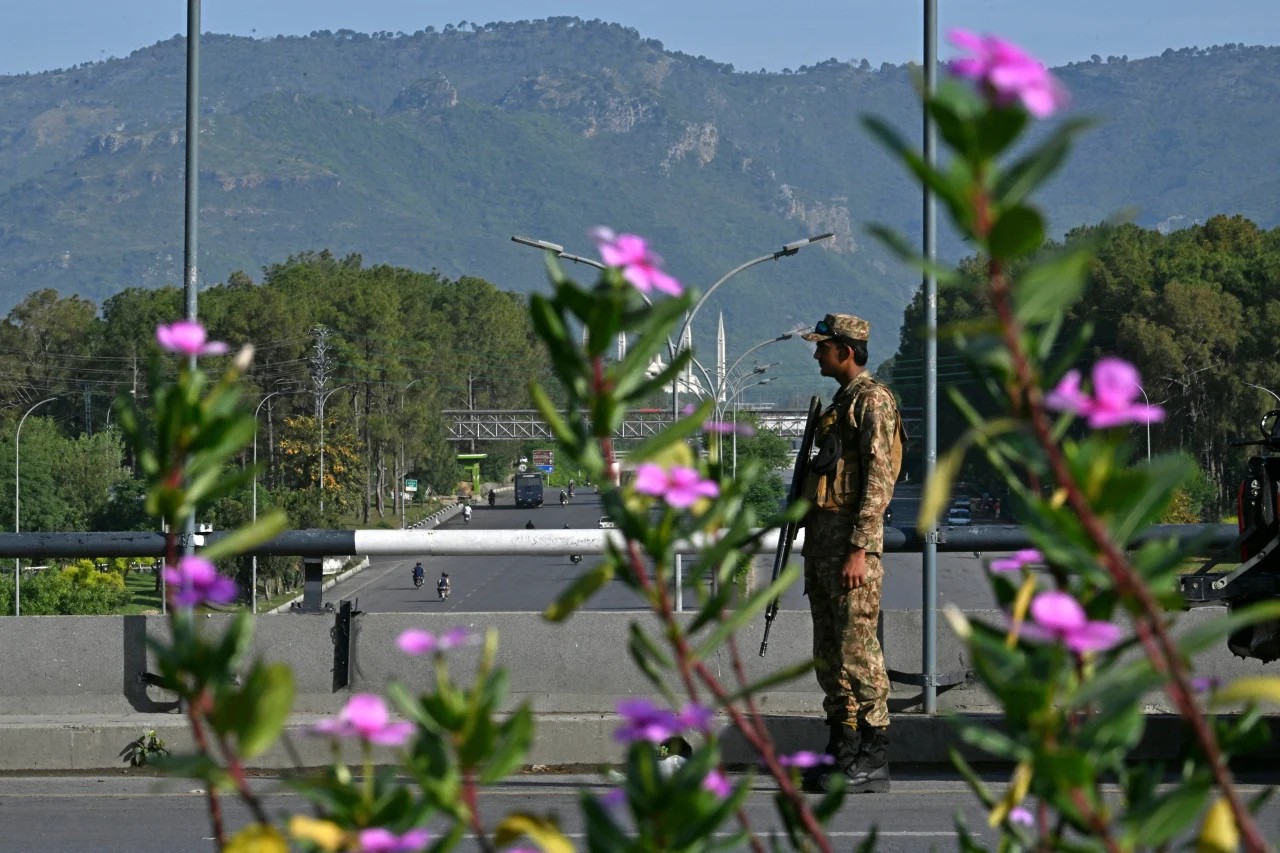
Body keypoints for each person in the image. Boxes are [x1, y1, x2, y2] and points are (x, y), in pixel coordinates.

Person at [797, 313, 905, 795]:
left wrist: (859, 548)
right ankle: (843, 746)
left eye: (823, 346)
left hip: (849, 551)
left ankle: (873, 752)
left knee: (859, 652)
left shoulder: (872, 400)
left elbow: (879, 481)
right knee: (830, 655)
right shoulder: (840, 402)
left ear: (846, 350)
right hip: (822, 548)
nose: (817, 353)